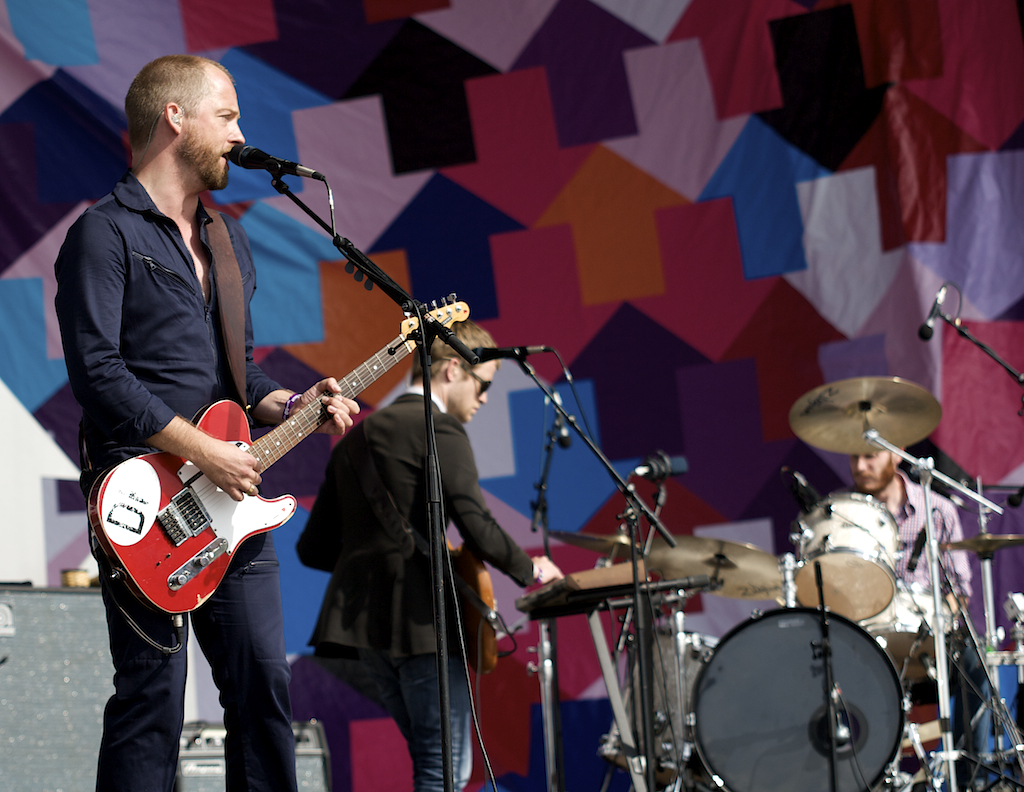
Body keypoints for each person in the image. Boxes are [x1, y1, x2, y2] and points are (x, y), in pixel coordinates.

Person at [53, 54, 359, 792]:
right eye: (227, 116)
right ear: (175, 117)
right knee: (151, 701)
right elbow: (97, 373)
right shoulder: (103, 233)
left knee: (263, 694)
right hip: (142, 499)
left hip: (229, 503)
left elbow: (239, 374)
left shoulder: (228, 240)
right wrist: (202, 450)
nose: (240, 134)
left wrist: (294, 406)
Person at [298, 320, 563, 792]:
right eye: (483, 385)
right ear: (452, 369)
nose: (485, 399)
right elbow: (475, 523)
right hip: (423, 624)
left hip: (365, 631)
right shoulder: (439, 428)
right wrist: (531, 569)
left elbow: (312, 548)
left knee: (433, 763)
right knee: (445, 770)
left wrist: (373, 560)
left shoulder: (355, 439)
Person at [849, 449, 989, 788]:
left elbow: (960, 589)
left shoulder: (937, 508)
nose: (860, 466)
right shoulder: (845, 514)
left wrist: (939, 621)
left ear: (895, 455)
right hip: (870, 638)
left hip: (929, 636)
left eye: (870, 456)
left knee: (976, 666)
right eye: (854, 458)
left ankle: (969, 779)